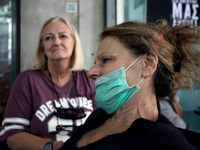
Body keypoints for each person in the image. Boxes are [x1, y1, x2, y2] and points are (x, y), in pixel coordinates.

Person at [59, 20, 200, 150]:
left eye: (106, 60)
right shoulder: (100, 116)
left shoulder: (164, 141)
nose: (90, 72)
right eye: (95, 62)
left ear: (147, 64)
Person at [0, 17, 98, 150]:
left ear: (74, 42)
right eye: (48, 38)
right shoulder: (27, 80)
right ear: (42, 47)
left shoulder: (90, 79)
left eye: (63, 36)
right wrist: (55, 147)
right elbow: (12, 135)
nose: (56, 42)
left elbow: (107, 126)